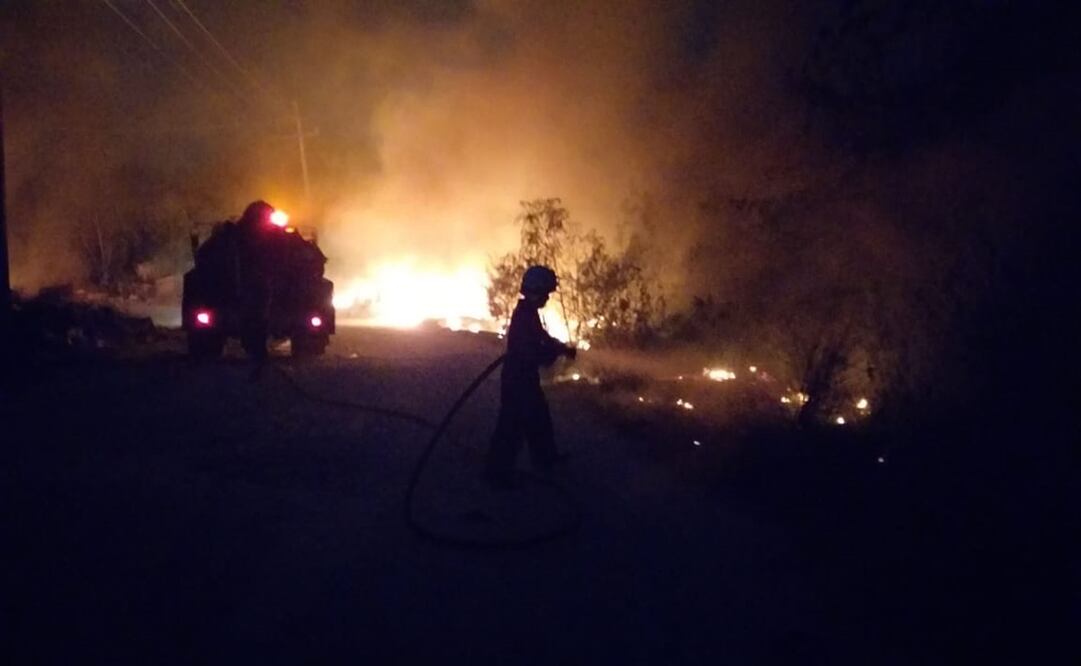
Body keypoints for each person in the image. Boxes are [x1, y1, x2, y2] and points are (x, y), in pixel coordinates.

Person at [483, 265, 577, 488]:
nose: (547, 298)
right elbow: (531, 352)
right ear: (536, 291)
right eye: (545, 293)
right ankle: (497, 474)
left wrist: (559, 347)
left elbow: (541, 337)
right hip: (518, 381)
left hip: (523, 379)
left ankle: (544, 459)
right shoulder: (524, 317)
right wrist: (553, 353)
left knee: (538, 418)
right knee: (512, 427)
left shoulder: (528, 313)